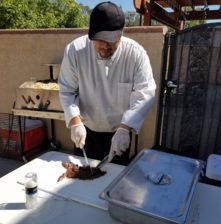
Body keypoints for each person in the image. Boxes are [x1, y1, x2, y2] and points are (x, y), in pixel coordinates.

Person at [58, 1, 156, 165]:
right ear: (91, 34)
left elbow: (145, 93)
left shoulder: (136, 54)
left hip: (120, 131)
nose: (105, 45)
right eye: (100, 39)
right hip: (86, 129)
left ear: (121, 33)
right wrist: (74, 121)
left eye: (111, 40)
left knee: (114, 181)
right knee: (81, 179)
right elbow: (67, 90)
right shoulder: (75, 51)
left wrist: (125, 128)